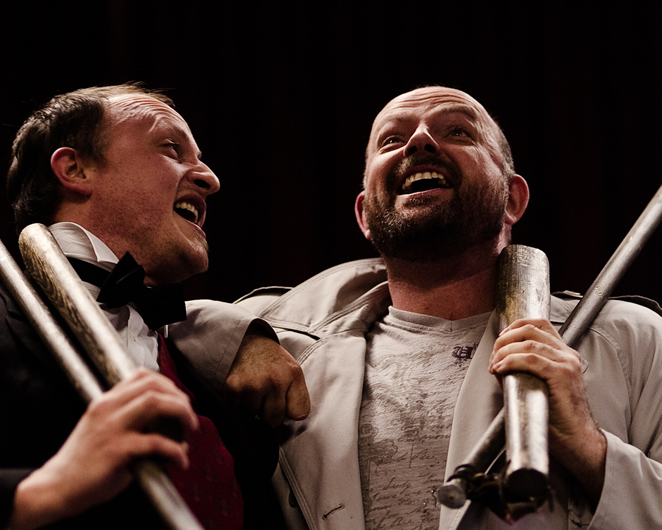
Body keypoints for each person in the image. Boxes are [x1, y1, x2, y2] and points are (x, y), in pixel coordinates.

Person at [171, 86, 662, 529]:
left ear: (512, 199)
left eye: (458, 131)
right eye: (391, 139)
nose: (420, 142)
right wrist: (236, 340)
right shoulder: (283, 343)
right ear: (364, 215)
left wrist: (591, 448)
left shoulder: (635, 340)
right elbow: (151, 324)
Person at [0, 83, 308, 529]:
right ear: (75, 169)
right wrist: (43, 491)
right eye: (172, 149)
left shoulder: (230, 407)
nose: (210, 179)